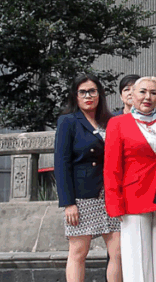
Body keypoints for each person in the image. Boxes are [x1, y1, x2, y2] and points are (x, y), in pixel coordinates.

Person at [55, 74, 122, 282]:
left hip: (110, 193)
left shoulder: (110, 120)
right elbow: (61, 163)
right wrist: (68, 203)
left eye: (92, 91)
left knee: (118, 251)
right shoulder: (68, 121)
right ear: (75, 96)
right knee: (78, 251)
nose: (88, 96)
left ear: (99, 94)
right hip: (83, 195)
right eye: (82, 92)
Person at [105, 76, 156, 282]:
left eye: (153, 92)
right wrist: (115, 204)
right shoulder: (117, 123)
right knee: (137, 259)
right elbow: (111, 167)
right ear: (131, 95)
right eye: (142, 92)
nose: (147, 97)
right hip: (134, 198)